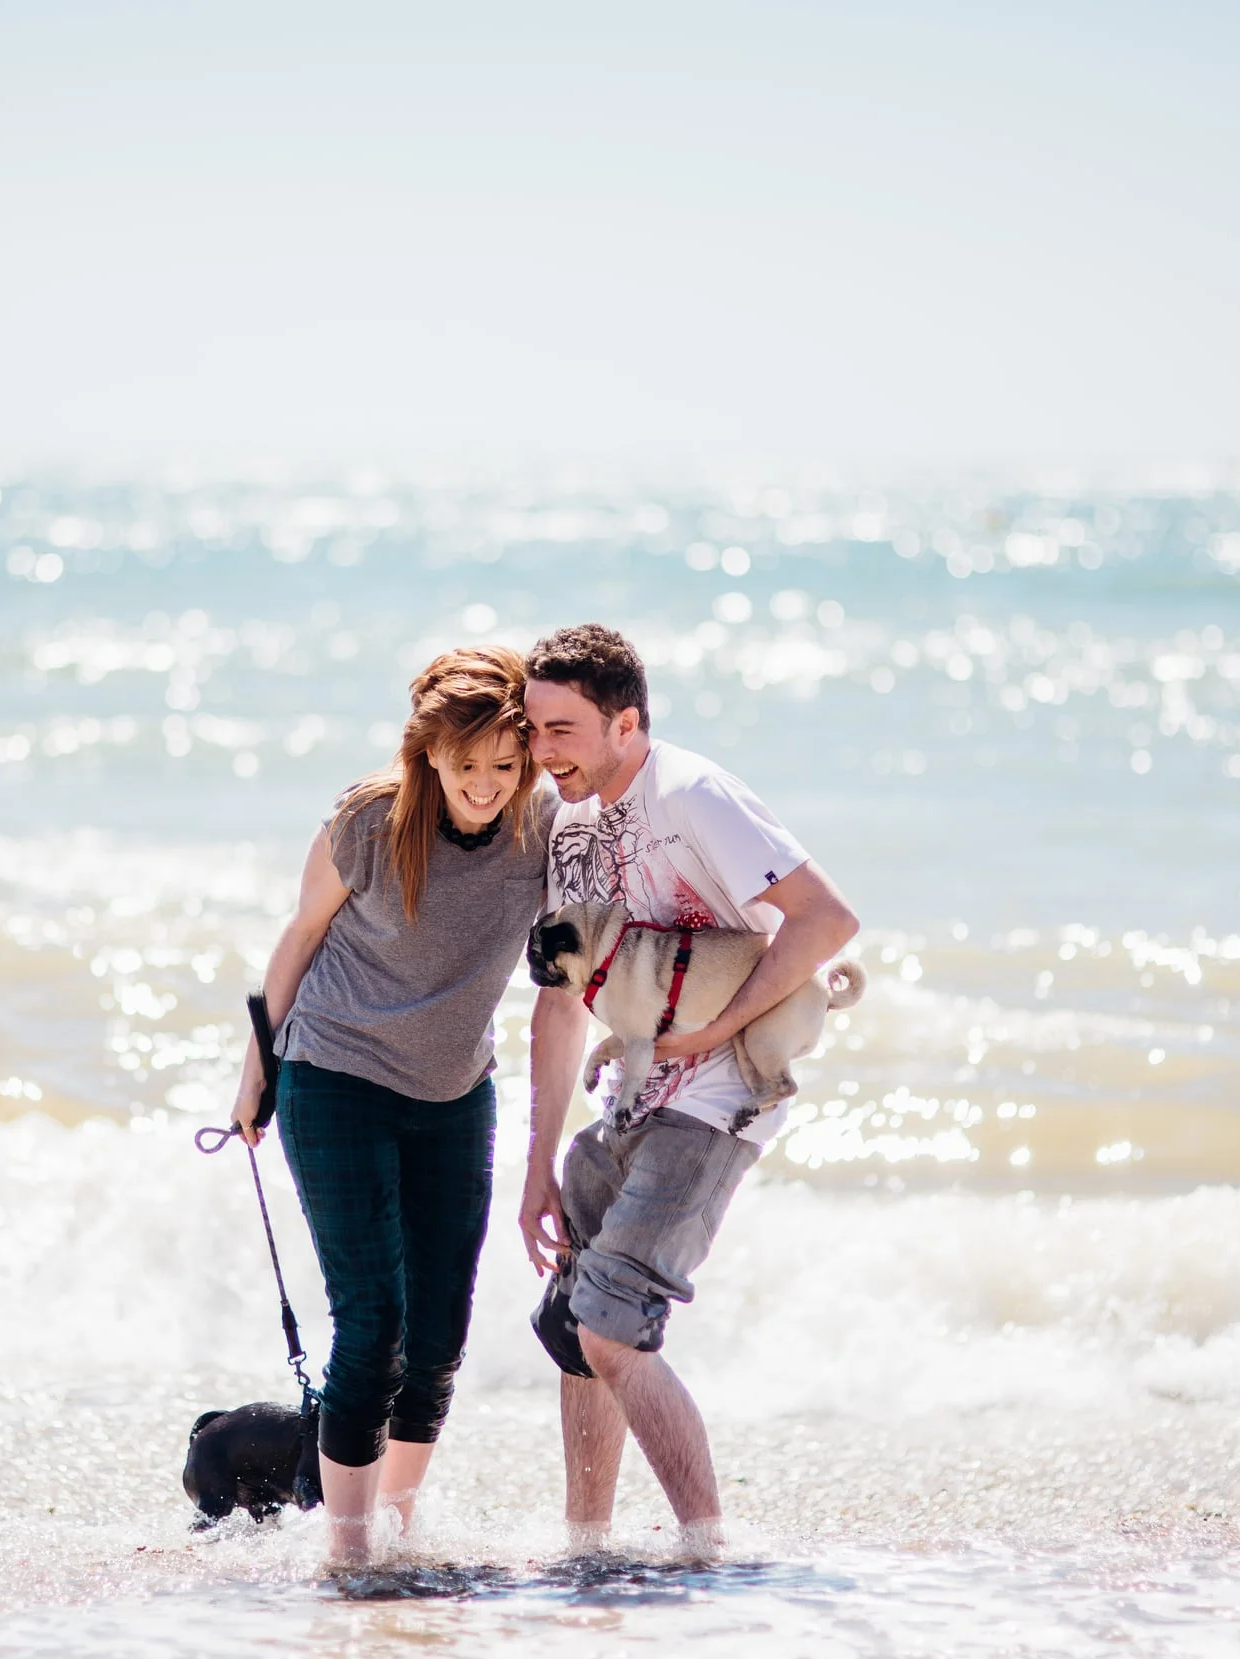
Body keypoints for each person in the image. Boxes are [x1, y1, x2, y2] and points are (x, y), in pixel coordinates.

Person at [517, 622, 859, 1557]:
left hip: (720, 1097)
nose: (545, 753)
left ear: (626, 723)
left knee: (613, 1331)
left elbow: (827, 919)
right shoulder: (568, 825)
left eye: (564, 730)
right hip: (628, 1094)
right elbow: (558, 1007)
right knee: (576, 1327)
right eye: (535, 730)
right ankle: (586, 1548)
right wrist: (538, 1165)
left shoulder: (695, 792)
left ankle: (708, 1554)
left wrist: (713, 1030)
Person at [229, 644, 557, 1566]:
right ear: (429, 757)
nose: (487, 786)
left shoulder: (544, 830)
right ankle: (346, 1552)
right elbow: (299, 937)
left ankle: (399, 1533)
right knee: (372, 1321)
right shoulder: (371, 823)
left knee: (441, 1329)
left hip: (455, 1090)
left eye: (506, 764)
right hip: (336, 1077)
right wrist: (255, 1073)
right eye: (467, 767)